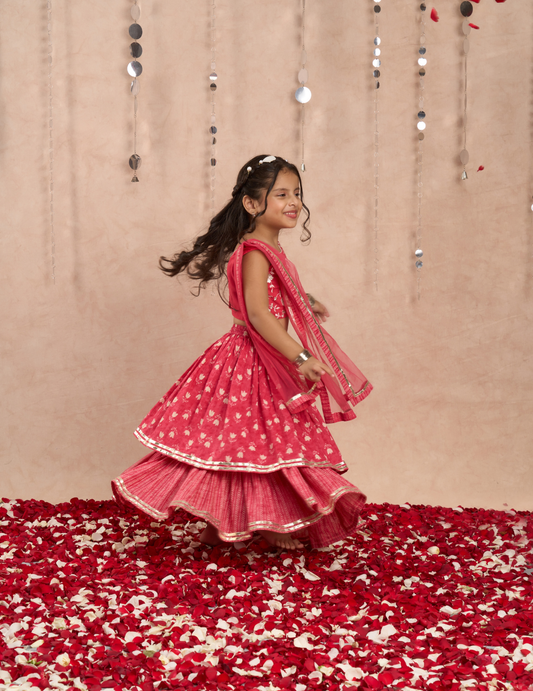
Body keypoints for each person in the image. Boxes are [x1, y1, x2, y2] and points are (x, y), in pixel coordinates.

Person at [112, 154, 372, 551]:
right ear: (251, 203)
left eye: (297, 193)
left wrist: (305, 300)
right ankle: (255, 522)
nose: (293, 202)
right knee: (254, 441)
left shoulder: (269, 251)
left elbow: (275, 294)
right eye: (281, 194)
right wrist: (301, 357)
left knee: (253, 443)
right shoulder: (255, 253)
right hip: (252, 360)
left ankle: (229, 526)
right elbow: (257, 313)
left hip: (263, 357)